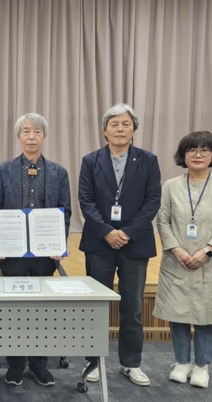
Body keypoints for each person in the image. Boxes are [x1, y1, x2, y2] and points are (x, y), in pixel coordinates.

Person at [78, 103, 161, 387]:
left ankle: (131, 363)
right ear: (104, 130)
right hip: (99, 243)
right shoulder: (90, 160)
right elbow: (86, 200)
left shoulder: (148, 160)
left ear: (134, 129)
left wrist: (126, 232)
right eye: (114, 124)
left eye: (126, 124)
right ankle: (94, 362)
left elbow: (153, 201)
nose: (120, 129)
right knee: (95, 305)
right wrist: (106, 232)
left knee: (133, 307)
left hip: (134, 243)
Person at [0, 113, 71, 387]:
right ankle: (15, 363)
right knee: (14, 308)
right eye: (26, 131)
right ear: (18, 137)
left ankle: (38, 363)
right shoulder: (4, 170)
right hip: (12, 254)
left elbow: (65, 211)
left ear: (44, 136)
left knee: (41, 309)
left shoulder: (58, 172)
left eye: (37, 131)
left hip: (45, 255)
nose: (31, 136)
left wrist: (60, 243)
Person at [153, 131, 212, 388]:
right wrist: (178, 250)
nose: (198, 155)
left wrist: (207, 251)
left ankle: (202, 366)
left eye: (205, 150)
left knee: (208, 312)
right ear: (183, 155)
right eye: (192, 150)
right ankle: (182, 362)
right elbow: (162, 221)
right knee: (178, 311)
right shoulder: (171, 186)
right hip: (177, 260)